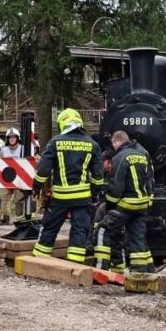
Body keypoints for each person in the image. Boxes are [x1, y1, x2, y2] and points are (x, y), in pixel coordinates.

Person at [32, 108, 102, 264]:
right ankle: (75, 265)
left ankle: (40, 261)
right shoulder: (93, 145)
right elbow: (98, 177)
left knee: (50, 228)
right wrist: (95, 194)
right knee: (80, 231)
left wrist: (36, 187)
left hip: (60, 197)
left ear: (63, 123)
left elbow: (43, 171)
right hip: (83, 199)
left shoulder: (55, 142)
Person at [96, 130, 154, 273]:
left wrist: (109, 206)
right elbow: (149, 181)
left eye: (113, 144)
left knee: (102, 229)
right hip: (142, 204)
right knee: (137, 237)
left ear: (116, 141)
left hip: (126, 204)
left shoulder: (120, 158)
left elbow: (116, 187)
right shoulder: (141, 156)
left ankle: (101, 269)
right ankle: (141, 271)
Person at [0, 128, 27, 226]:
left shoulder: (23, 149)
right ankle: (4, 219)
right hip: (6, 180)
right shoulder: (3, 151)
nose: (12, 139)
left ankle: (19, 221)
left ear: (18, 138)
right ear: (7, 139)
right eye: (10, 137)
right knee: (1, 197)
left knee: (19, 200)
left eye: (14, 137)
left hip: (19, 180)